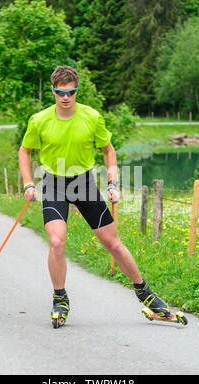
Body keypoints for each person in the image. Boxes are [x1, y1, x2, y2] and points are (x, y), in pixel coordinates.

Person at [19, 65, 170, 328]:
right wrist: (28, 183)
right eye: (60, 92)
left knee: (112, 244)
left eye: (71, 92)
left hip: (83, 182)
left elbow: (108, 150)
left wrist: (113, 183)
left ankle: (144, 293)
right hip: (53, 183)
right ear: (53, 91)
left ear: (77, 91)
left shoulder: (91, 116)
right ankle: (60, 298)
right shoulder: (39, 120)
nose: (65, 97)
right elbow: (24, 151)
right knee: (56, 242)